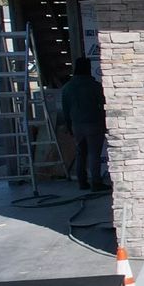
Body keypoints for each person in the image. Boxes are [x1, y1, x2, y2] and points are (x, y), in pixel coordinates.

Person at [58, 55, 108, 192]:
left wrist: (69, 127)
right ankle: (96, 183)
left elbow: (65, 110)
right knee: (94, 154)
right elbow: (102, 105)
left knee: (81, 153)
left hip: (76, 125)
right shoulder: (95, 86)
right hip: (93, 123)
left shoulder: (67, 88)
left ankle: (82, 182)